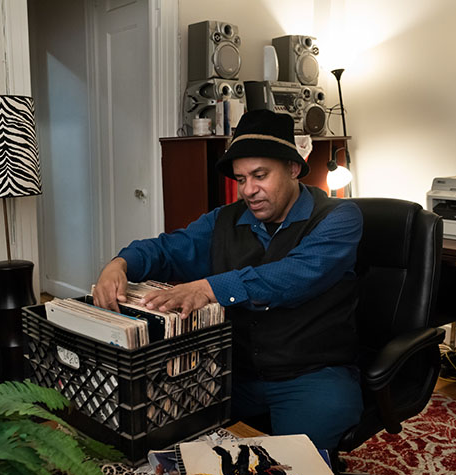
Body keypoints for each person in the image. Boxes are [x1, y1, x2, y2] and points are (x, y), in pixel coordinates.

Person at [93, 109, 363, 450]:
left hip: (313, 376)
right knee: (170, 437)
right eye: (241, 179)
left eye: (260, 175)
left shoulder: (340, 218)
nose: (249, 190)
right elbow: (170, 248)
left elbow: (295, 275)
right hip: (234, 372)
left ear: (293, 169)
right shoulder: (224, 219)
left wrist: (208, 289)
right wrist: (120, 264)